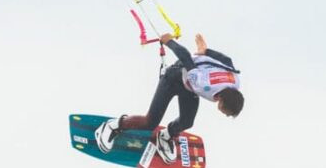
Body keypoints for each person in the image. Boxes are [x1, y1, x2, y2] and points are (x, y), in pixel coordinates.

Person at [95, 32, 243, 161]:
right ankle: (113, 125)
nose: (224, 114)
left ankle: (165, 137)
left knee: (187, 121)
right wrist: (169, 42)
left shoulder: (235, 81)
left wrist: (206, 51)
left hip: (190, 86)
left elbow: (227, 61)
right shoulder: (204, 84)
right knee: (149, 122)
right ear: (221, 100)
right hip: (173, 78)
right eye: (226, 112)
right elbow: (185, 57)